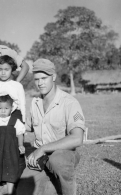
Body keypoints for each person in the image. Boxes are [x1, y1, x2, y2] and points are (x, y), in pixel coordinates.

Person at [22, 59, 86, 195]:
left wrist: (43, 149)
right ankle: (51, 181)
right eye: (37, 79)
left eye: (44, 78)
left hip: (62, 154)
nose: (40, 83)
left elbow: (77, 139)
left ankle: (66, 186)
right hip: (41, 158)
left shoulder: (69, 102)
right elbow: (27, 126)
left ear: (54, 77)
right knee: (23, 189)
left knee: (58, 161)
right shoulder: (36, 102)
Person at [0, 55, 26, 122]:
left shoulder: (17, 86)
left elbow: (22, 104)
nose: (3, 73)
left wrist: (23, 121)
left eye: (6, 69)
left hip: (15, 116)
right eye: (0, 69)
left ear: (11, 69)